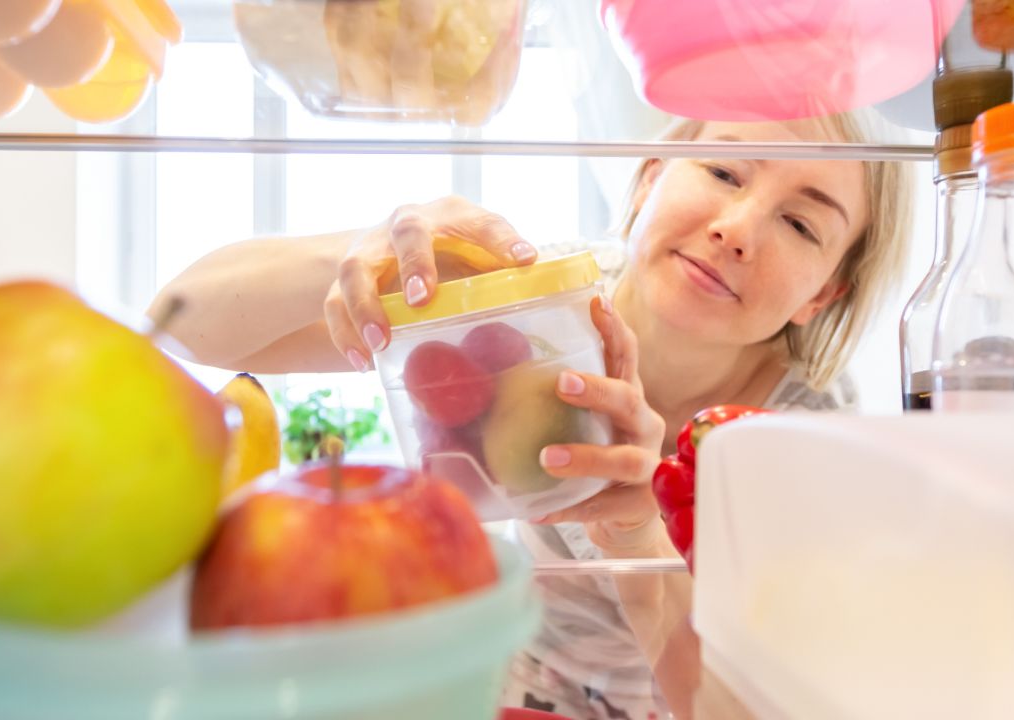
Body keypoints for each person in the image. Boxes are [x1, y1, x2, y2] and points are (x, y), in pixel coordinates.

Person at [151, 112, 913, 719]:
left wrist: (637, 535)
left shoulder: (807, 433)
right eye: (723, 171)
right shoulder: (539, 303)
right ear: (650, 179)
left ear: (824, 293)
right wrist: (362, 257)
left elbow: (735, 705)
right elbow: (182, 322)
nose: (737, 229)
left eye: (801, 225)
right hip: (480, 685)